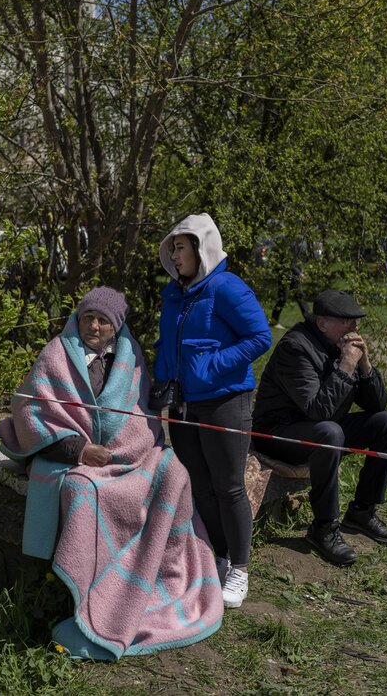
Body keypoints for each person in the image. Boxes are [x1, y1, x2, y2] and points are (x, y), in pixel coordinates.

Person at [0, 287, 223, 659]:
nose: (94, 326)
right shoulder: (56, 355)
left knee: (173, 472)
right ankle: (93, 597)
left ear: (116, 326)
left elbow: (141, 413)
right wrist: (79, 449)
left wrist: (125, 450)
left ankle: (160, 579)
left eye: (103, 320)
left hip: (128, 454)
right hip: (72, 457)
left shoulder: (130, 359)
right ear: (77, 319)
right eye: (88, 318)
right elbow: (31, 412)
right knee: (83, 493)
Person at [153, 214, 271, 608]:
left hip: (225, 400)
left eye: (180, 247)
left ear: (201, 248)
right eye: (172, 247)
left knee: (229, 485)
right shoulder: (175, 294)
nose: (174, 254)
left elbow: (260, 336)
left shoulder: (226, 287)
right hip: (184, 404)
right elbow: (167, 347)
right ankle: (217, 558)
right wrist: (161, 385)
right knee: (199, 484)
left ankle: (240, 568)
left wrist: (213, 365)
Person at [252, 290, 387, 566]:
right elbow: (318, 411)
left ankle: (362, 511)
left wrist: (365, 364)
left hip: (320, 426)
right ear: (323, 323)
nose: (355, 328)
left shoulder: (340, 344)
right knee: (330, 432)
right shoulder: (296, 347)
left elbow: (377, 405)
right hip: (278, 433)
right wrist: (346, 365)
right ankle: (323, 528)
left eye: (356, 322)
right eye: (347, 321)